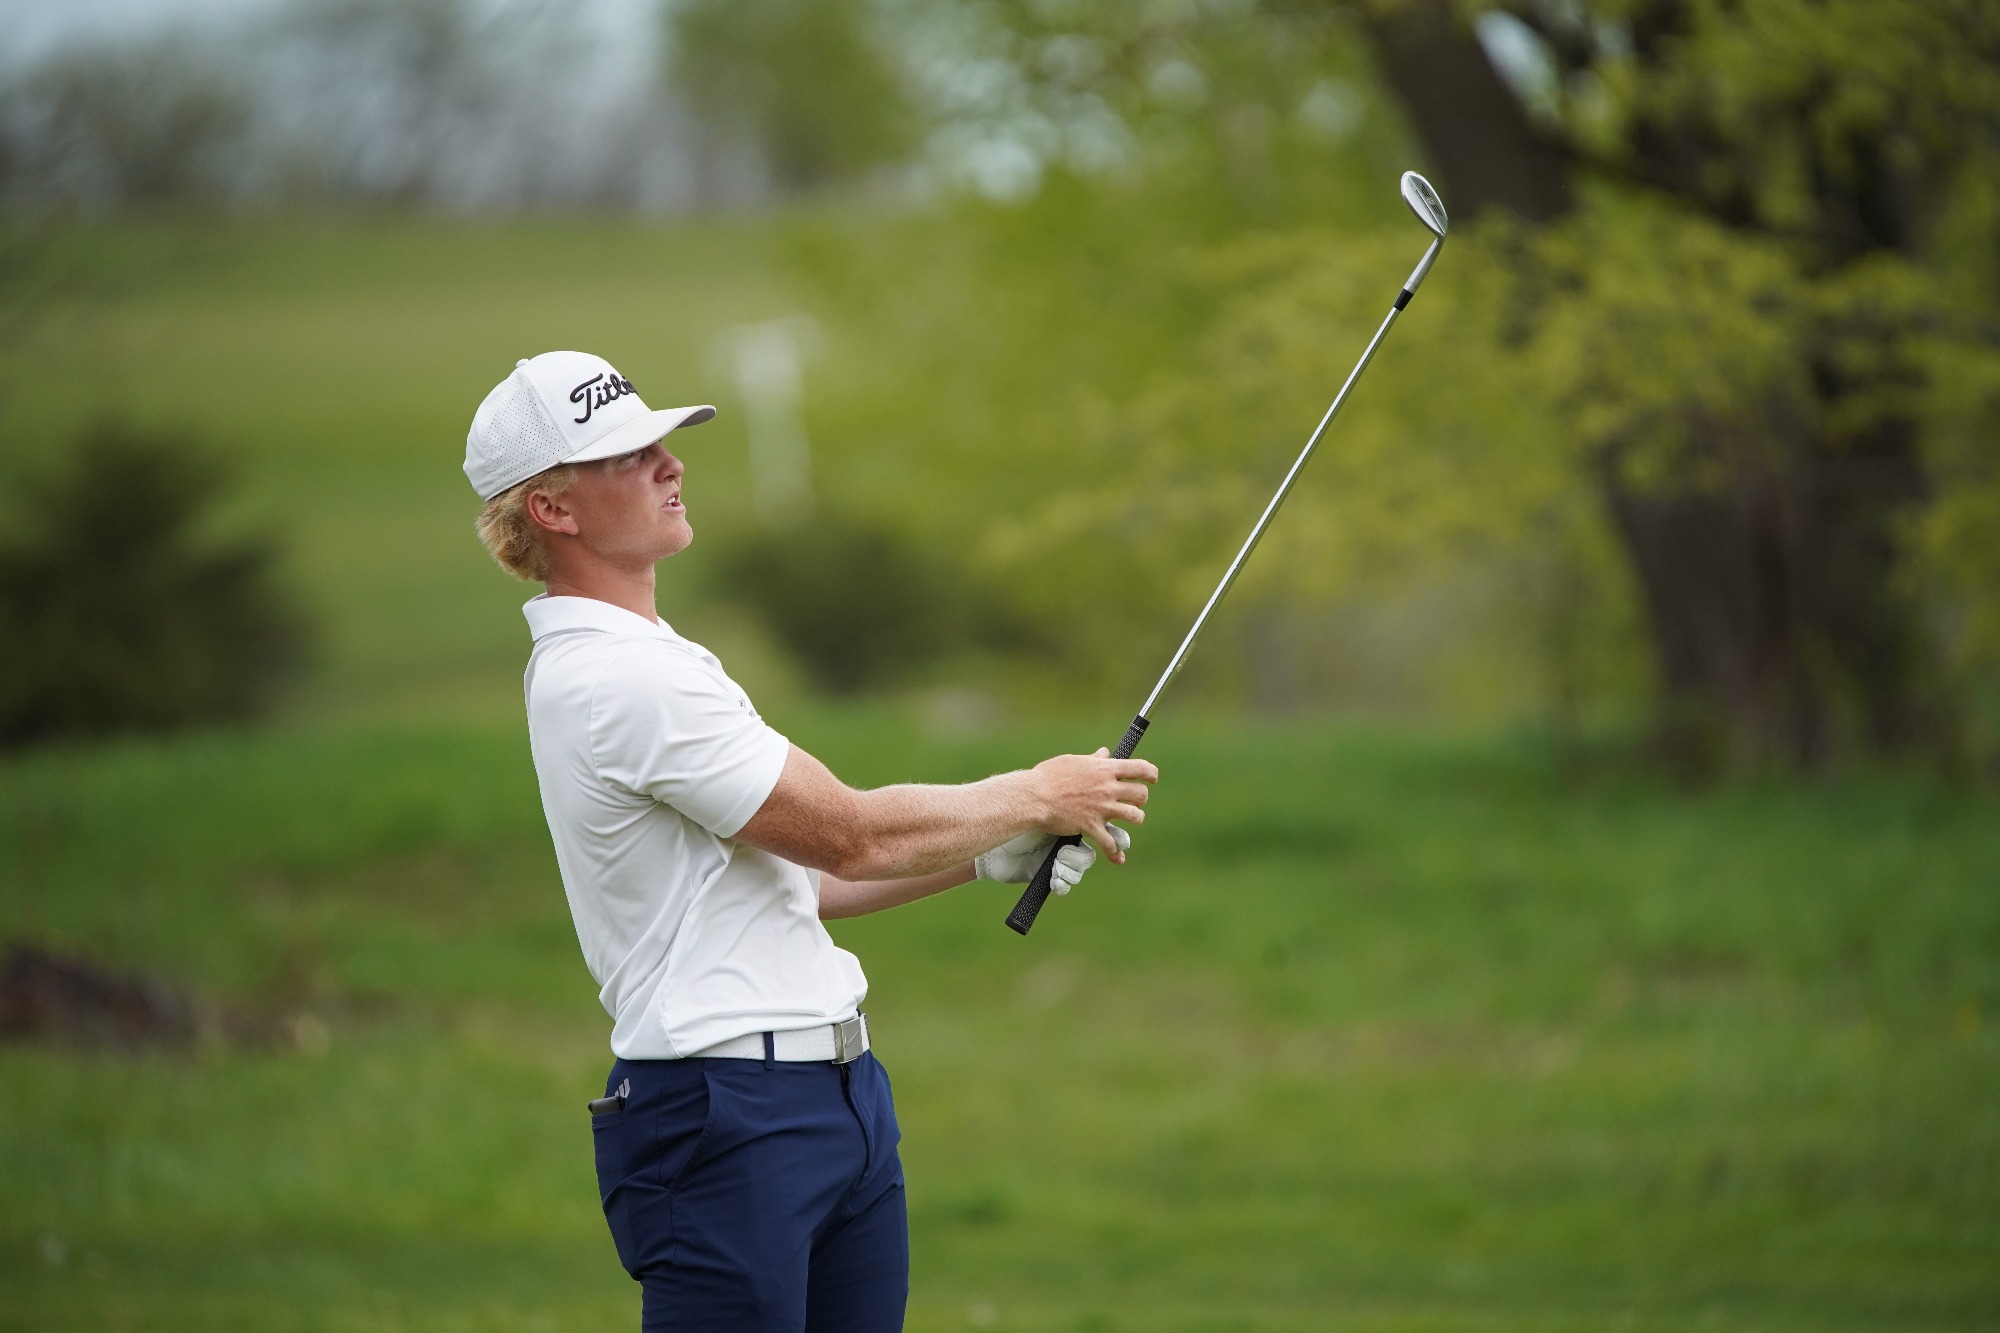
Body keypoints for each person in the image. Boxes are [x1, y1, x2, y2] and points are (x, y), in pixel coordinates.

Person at [463, 351, 1156, 1332]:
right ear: (553, 510)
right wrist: (1034, 792)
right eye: (626, 455)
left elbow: (798, 880)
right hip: (726, 1115)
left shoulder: (651, 660)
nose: (669, 464)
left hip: (835, 1099)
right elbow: (849, 834)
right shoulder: (619, 680)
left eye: (661, 442)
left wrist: (984, 852)